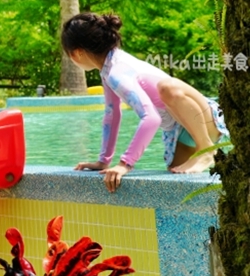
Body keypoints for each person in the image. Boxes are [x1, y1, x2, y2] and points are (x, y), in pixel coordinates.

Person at [63, 13, 228, 192]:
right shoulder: (107, 71)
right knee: (180, 187)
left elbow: (151, 118)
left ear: (77, 52)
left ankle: (207, 150)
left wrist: (125, 164)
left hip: (202, 119)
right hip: (177, 133)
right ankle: (208, 155)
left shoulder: (118, 70)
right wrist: (103, 161)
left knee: (167, 87)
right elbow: (112, 115)